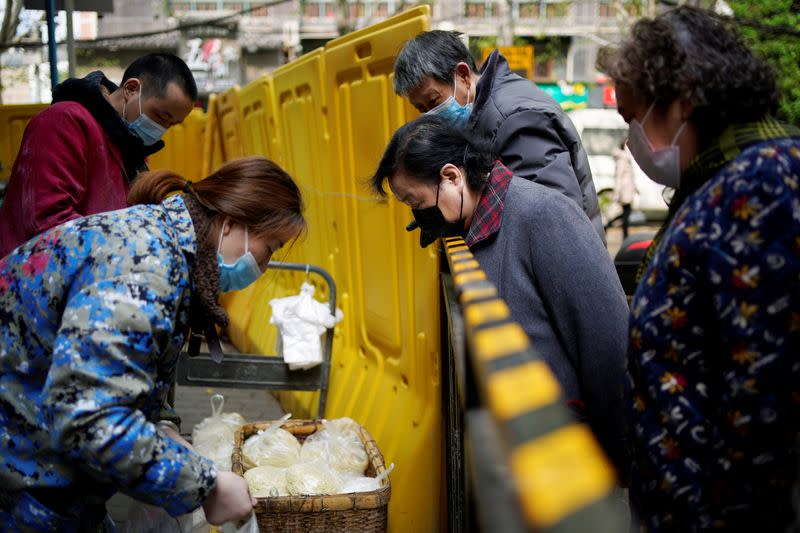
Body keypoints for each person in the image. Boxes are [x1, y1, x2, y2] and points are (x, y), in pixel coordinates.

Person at [0, 156, 306, 531]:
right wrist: (205, 485)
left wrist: (161, 425)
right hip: (18, 465)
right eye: (270, 247)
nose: (264, 265)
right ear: (230, 224)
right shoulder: (147, 266)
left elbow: (117, 364)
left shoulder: (158, 239)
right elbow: (91, 420)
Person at [597, 6, 800, 530]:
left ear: (685, 96)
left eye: (632, 118)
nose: (630, 141)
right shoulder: (720, 182)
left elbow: (763, 401)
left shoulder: (759, 184)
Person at [370, 114, 630, 471]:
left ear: (451, 176)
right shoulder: (470, 227)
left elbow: (608, 344)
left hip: (568, 459)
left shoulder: (544, 215)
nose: (417, 217)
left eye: (416, 203)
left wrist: (619, 456)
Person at [393, 30, 605, 243]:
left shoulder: (515, 118)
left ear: (464, 76)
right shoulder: (483, 115)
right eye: (422, 109)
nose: (431, 115)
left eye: (433, 101)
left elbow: (552, 216)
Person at [0, 53, 198, 258]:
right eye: (161, 116)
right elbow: (47, 221)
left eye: (171, 124)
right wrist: (130, 249)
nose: (162, 128)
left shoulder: (131, 148)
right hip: (32, 276)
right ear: (131, 89)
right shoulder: (64, 121)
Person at [609, 140, 636, 238]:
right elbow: (618, 177)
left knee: (626, 213)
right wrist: (616, 193)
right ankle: (624, 234)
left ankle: (611, 225)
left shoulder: (626, 159)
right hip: (624, 191)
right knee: (626, 213)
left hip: (628, 190)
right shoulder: (622, 159)